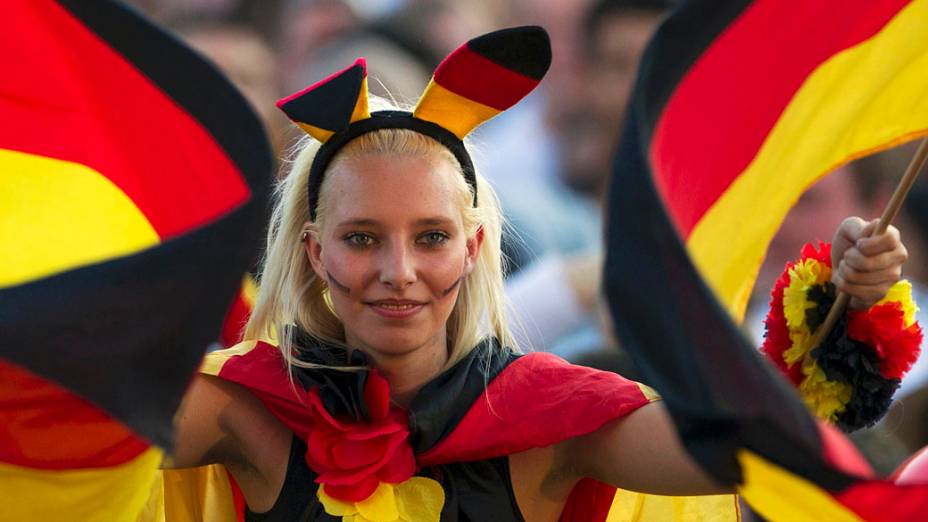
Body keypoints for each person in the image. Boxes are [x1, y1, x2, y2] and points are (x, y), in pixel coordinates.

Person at [161, 27, 911, 522]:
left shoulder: (550, 414)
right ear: (315, 251)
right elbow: (71, 442)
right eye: (362, 238)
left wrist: (844, 305)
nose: (399, 272)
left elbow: (734, 448)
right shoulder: (243, 403)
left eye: (431, 237)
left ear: (475, 245)